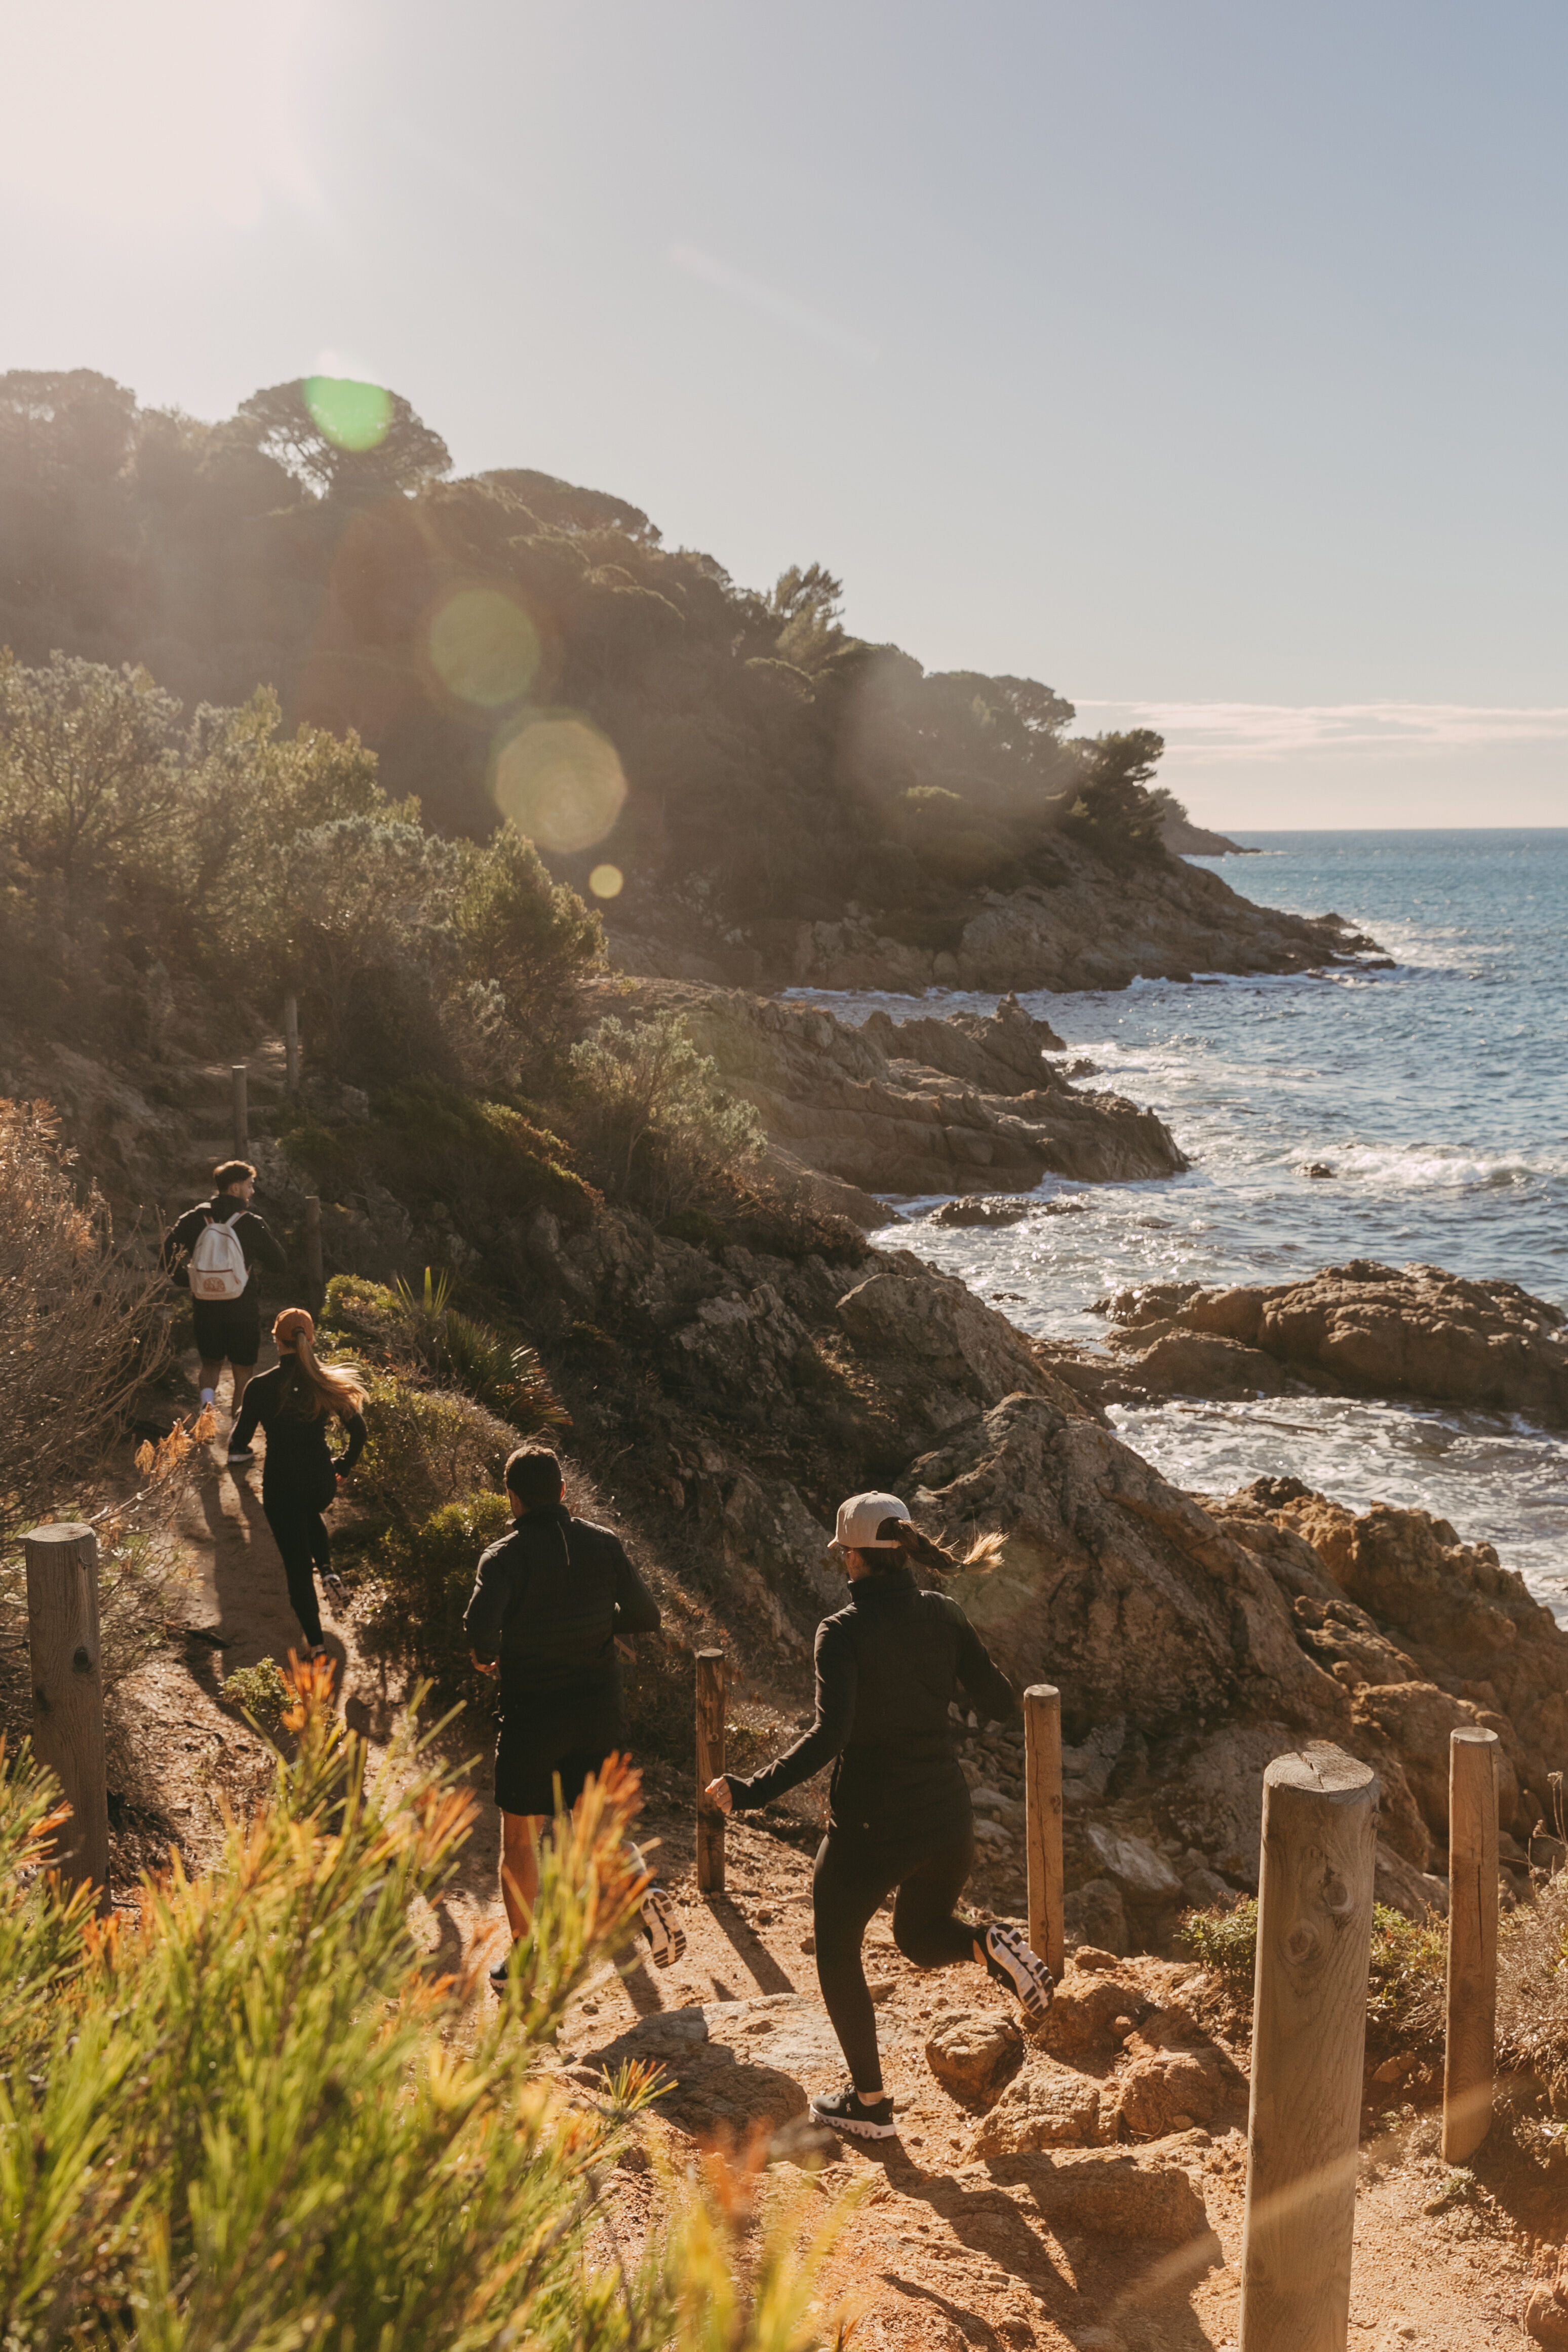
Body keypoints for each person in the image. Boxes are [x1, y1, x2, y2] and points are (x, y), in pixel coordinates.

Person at [705, 1491, 1053, 2142]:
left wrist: (749, 1791)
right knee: (920, 1940)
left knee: (838, 1950)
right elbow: (1001, 1702)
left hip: (870, 1826)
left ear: (857, 1557)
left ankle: (869, 2104)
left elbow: (828, 1736)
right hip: (946, 1815)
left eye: (844, 1553)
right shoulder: (944, 1613)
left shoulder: (841, 1631)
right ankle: (986, 1943)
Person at [463, 1445, 686, 1987]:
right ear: (564, 1492)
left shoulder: (503, 1557)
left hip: (532, 1716)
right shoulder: (604, 1544)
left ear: (512, 1499)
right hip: (599, 1711)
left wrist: (493, 1656)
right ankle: (639, 1886)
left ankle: (524, 1958)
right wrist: (594, 1622)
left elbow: (479, 1632)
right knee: (594, 1829)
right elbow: (645, 1615)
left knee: (521, 1839)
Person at [228, 1307, 367, 1662]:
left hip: (282, 1484)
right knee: (309, 1511)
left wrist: (241, 1444)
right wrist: (344, 1466)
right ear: (312, 1337)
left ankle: (318, 1646)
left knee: (296, 1567)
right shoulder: (324, 1382)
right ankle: (329, 1569)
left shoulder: (259, 1387)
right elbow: (359, 1432)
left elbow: (240, 1442)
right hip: (322, 1481)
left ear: (276, 1340)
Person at [163, 1160, 288, 1459]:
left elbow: (167, 1250)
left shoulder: (195, 1218)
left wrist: (186, 1278)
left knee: (210, 1366)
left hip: (206, 1304)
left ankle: (206, 1426)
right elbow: (280, 1264)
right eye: (249, 1185)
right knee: (243, 1372)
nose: (252, 1191)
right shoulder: (250, 1221)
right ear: (236, 1187)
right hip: (241, 1306)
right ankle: (237, 1442)